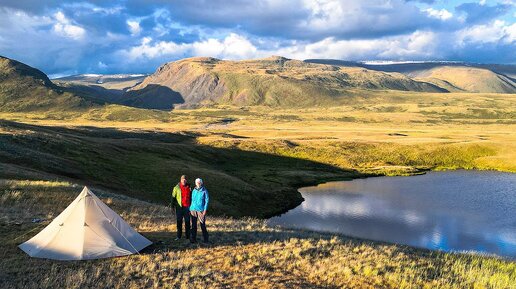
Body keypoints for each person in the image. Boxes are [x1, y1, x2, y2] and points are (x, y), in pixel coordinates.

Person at [171, 175, 192, 240]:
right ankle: (178, 236)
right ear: (180, 180)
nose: (184, 180)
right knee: (179, 222)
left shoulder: (189, 187)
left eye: (185, 179)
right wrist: (172, 207)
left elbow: (191, 197)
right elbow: (173, 198)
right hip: (179, 208)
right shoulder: (176, 188)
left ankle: (187, 237)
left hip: (187, 207)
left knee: (187, 222)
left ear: (186, 180)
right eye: (183, 179)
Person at [190, 178, 209, 243]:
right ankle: (193, 239)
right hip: (193, 209)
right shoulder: (194, 190)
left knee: (202, 224)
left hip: (201, 210)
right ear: (195, 183)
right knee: (193, 225)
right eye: (197, 182)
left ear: (201, 183)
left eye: (199, 182)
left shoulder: (204, 191)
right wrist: (190, 208)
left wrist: (205, 210)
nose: (198, 183)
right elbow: (192, 199)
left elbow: (207, 201)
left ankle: (206, 239)